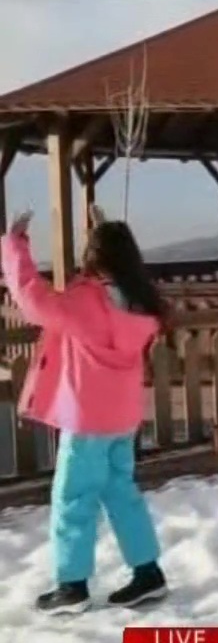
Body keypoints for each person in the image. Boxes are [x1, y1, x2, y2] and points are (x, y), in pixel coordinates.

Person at [1, 207, 169, 615]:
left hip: (87, 420)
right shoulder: (142, 304)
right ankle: (148, 572)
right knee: (121, 492)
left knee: (73, 498)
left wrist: (15, 245)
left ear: (94, 257)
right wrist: (104, 228)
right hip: (122, 419)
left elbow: (33, 298)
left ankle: (72, 585)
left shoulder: (86, 302)